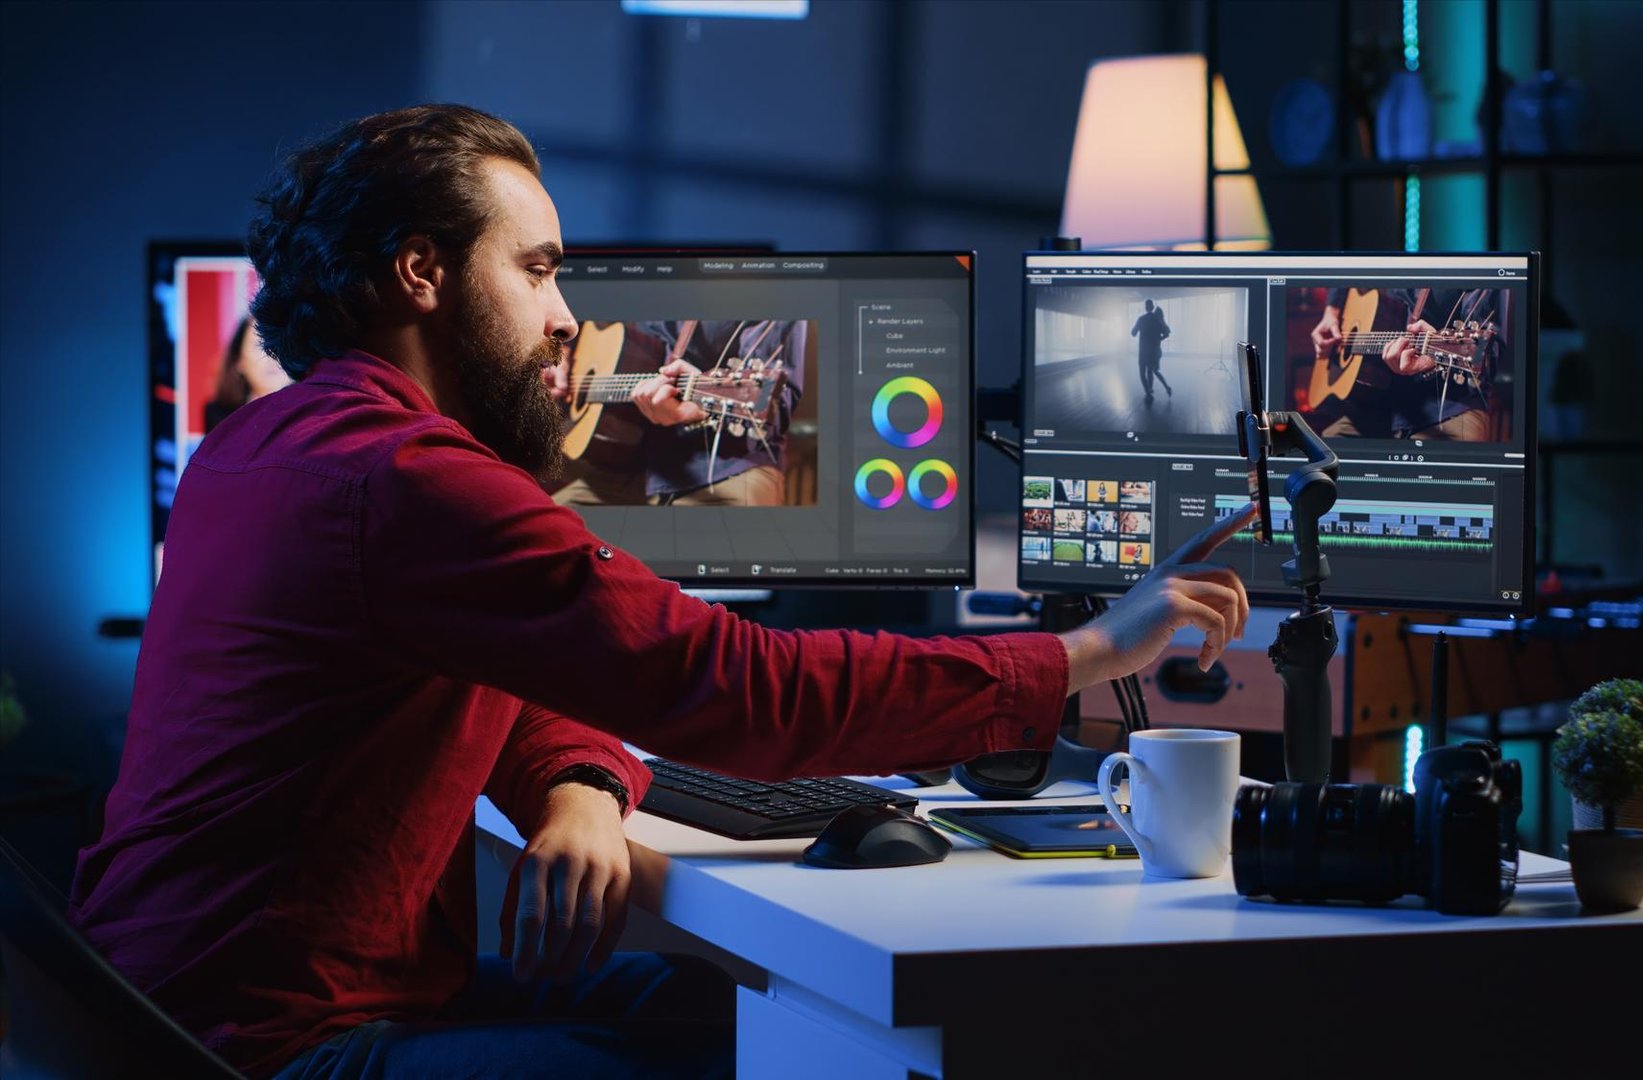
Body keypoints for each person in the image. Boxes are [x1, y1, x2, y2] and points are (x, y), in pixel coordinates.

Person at [69, 104, 1254, 1079]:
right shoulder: (401, 478)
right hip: (256, 1051)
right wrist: (1089, 652)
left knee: (703, 1014)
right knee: (752, 1056)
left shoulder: (275, 441)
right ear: (422, 273)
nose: (567, 316)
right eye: (536, 271)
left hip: (146, 1005)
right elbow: (734, 688)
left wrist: (582, 787)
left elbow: (514, 661)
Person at [544, 319, 805, 507]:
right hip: (629, 465)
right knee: (537, 539)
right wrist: (562, 351)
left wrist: (698, 406)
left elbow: (776, 400)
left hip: (720, 467)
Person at [1306, 286, 1505, 441]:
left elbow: (1487, 353)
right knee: (1327, 455)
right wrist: (1332, 309)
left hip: (1445, 407)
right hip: (1378, 404)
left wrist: (1431, 359)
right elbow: (1345, 267)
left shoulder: (1469, 260)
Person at [204, 316, 293, 433]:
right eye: (260, 345)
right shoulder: (220, 415)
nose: (272, 354)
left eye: (278, 343)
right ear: (239, 361)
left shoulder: (313, 410)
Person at [1131, 298, 1173, 402]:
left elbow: (1133, 333)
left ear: (1145, 307)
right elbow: (1167, 333)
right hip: (1154, 351)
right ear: (1153, 307)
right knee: (1152, 371)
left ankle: (1148, 392)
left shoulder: (1141, 319)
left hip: (1143, 351)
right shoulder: (1157, 319)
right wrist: (1158, 338)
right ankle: (1160, 388)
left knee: (1142, 372)